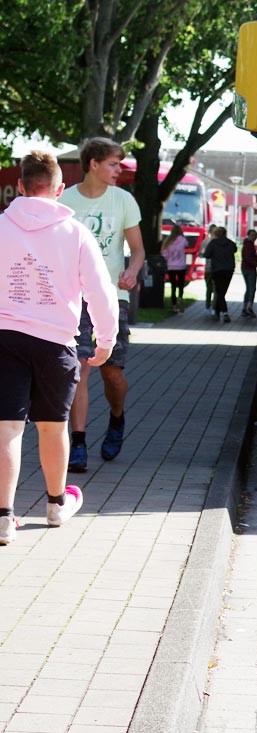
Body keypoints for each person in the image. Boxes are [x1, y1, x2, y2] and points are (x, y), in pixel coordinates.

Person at [0, 151, 119, 544]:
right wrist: (106, 340)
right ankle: (54, 505)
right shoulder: (76, 233)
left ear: (20, 186)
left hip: (5, 339)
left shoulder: (1, 226)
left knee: (8, 428)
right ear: (60, 189)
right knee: (53, 427)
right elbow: (101, 292)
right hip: (56, 343)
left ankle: (3, 517)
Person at [60, 137, 145, 472]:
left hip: (112, 296)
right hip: (73, 296)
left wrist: (133, 269)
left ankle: (117, 417)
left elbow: (137, 249)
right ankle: (78, 443)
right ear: (93, 164)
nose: (118, 170)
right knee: (79, 367)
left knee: (111, 374)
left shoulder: (123, 200)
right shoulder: (64, 201)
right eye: (113, 164)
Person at [202, 225, 238, 324]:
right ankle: (218, 312)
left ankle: (224, 313)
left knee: (219, 292)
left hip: (217, 270)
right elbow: (235, 249)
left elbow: (206, 255)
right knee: (222, 291)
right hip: (228, 270)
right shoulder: (230, 243)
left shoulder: (213, 243)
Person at [161, 224, 189, 312]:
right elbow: (186, 245)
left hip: (171, 266)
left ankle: (173, 305)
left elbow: (164, 253)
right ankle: (180, 297)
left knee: (173, 286)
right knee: (181, 284)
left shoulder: (168, 241)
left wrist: (168, 258)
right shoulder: (182, 240)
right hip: (181, 266)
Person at [240, 228, 257, 318]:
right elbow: (248, 258)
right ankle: (249, 307)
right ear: (249, 235)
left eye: (255, 235)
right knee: (252, 288)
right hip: (250, 269)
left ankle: (245, 308)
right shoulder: (249, 245)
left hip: (245, 267)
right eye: (253, 235)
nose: (255, 237)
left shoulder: (247, 244)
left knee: (248, 288)